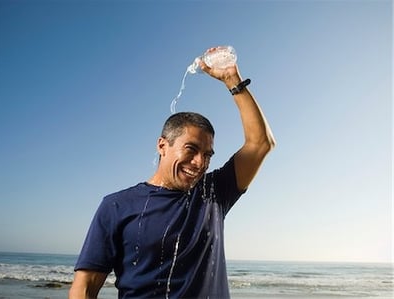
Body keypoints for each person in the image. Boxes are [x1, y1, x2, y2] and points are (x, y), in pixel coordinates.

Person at [69, 47, 276, 299]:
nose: (200, 162)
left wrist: (232, 80)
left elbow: (260, 143)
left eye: (208, 154)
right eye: (191, 149)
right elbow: (85, 287)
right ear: (162, 145)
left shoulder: (214, 194)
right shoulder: (116, 206)